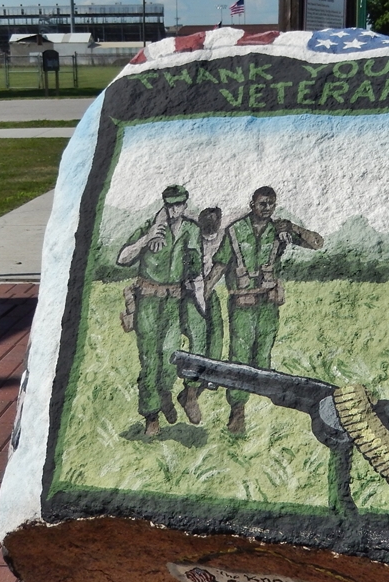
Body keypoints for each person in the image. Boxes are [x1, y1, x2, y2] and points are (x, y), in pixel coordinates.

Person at [206, 186, 323, 434]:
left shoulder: (279, 231)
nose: (266, 208)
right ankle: (237, 411)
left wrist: (292, 228)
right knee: (239, 356)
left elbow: (317, 243)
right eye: (262, 203)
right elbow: (219, 264)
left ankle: (264, 418)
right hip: (242, 305)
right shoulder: (235, 231)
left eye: (271, 204)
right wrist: (203, 292)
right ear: (252, 204)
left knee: (263, 357)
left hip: (268, 305)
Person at [117, 185, 201, 437]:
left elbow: (197, 265)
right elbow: (122, 258)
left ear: (185, 205)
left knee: (169, 356)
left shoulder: (190, 229)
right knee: (149, 360)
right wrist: (146, 239)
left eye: (180, 204)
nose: (176, 209)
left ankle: (165, 393)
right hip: (149, 303)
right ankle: (151, 416)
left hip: (174, 302)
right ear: (165, 205)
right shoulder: (151, 227)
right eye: (171, 205)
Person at [178, 207, 224, 425]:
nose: (211, 222)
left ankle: (195, 393)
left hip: (211, 293)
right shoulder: (190, 239)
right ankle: (190, 396)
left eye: (215, 219)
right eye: (207, 219)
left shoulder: (222, 239)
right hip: (190, 295)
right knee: (198, 342)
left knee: (216, 344)